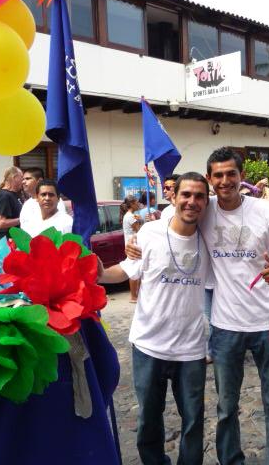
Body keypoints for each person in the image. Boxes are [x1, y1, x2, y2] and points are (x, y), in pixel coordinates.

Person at [126, 147, 269, 463]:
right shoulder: (202, 207)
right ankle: (230, 459)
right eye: (218, 175)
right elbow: (162, 228)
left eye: (231, 174)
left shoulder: (265, 212)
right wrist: (135, 243)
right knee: (226, 406)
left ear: (242, 177)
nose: (225, 181)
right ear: (210, 179)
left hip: (268, 326)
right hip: (224, 328)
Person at [100, 172, 211, 465]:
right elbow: (125, 271)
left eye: (199, 196)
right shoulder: (149, 234)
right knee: (149, 419)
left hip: (191, 349)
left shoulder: (209, 238)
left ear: (206, 202)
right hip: (149, 345)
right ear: (173, 197)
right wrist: (97, 273)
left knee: (193, 420)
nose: (192, 201)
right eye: (186, 194)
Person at [121, 195, 142, 304]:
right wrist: (141, 221)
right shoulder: (130, 217)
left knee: (136, 269)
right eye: (136, 202)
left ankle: (135, 295)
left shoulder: (130, 216)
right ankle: (134, 296)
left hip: (133, 245)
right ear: (132, 204)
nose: (138, 204)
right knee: (133, 271)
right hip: (132, 246)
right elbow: (139, 230)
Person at [0, 166, 23, 239]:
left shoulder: (15, 194)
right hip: (8, 241)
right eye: (21, 177)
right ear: (14, 178)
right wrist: (23, 219)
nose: (23, 181)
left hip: (16, 239)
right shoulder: (4, 195)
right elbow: (1, 223)